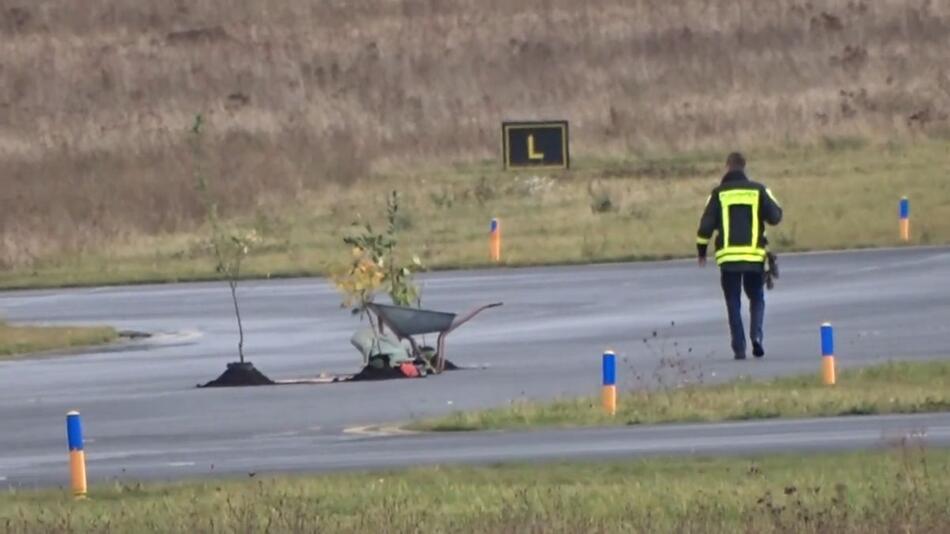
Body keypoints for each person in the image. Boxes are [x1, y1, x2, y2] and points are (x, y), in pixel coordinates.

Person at [696, 152, 783, 360]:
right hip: (754, 256)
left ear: (727, 167)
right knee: (757, 298)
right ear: (745, 168)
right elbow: (776, 216)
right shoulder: (759, 190)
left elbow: (705, 226)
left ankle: (739, 346)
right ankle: (757, 337)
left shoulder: (718, 193)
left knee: (733, 301)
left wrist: (701, 251)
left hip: (728, 259)